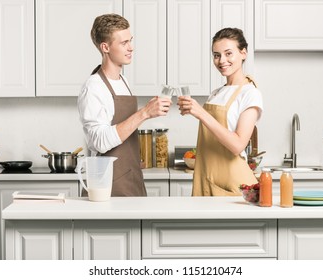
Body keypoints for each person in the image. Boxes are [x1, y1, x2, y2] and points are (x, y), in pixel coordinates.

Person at [78, 14, 172, 196]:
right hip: (108, 185)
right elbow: (99, 142)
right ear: (105, 47)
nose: (131, 48)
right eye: (124, 43)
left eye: (131, 41)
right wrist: (144, 113)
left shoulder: (123, 81)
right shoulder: (93, 87)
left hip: (131, 176)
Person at [177, 27, 263, 196]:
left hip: (232, 184)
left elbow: (238, 145)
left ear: (243, 53)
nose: (222, 60)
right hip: (206, 178)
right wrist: (192, 110)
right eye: (216, 55)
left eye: (228, 53)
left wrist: (201, 113)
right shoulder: (216, 93)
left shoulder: (250, 93)